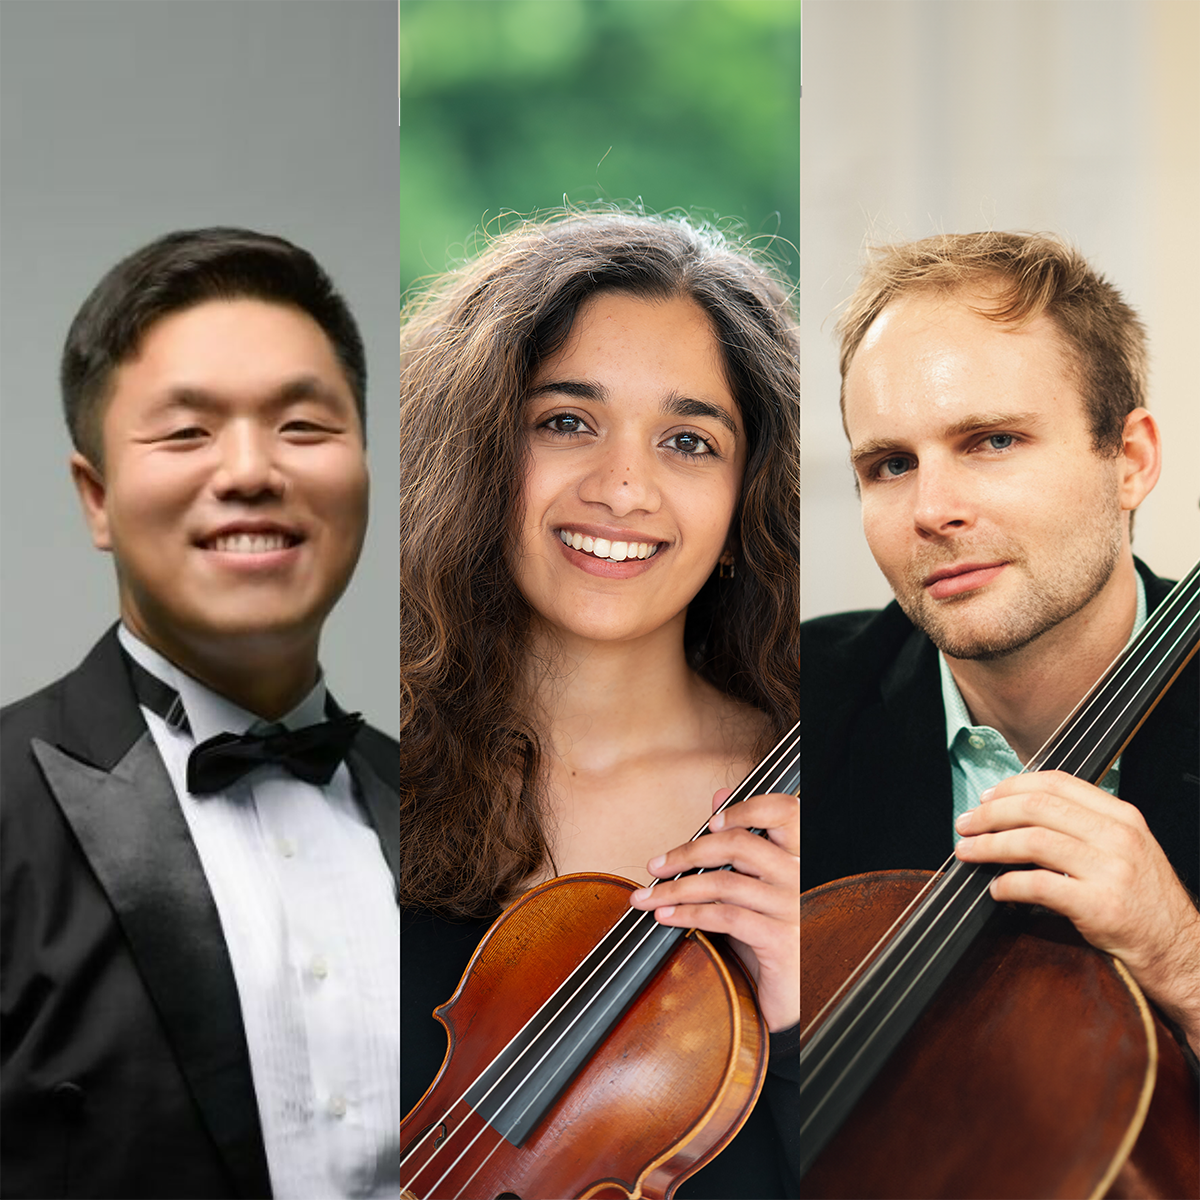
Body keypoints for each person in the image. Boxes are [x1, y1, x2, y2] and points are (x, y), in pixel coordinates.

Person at [399, 212, 802, 1196]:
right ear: (484, 454)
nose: (623, 487)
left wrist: (803, 1014)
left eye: (688, 441)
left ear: (748, 496)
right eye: (567, 421)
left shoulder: (821, 816)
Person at [0, 228, 401, 1199]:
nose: (253, 471)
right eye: (187, 433)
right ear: (96, 498)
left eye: (304, 427)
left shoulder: (468, 807)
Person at [802, 231, 1200, 1078]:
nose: (932, 509)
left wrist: (1182, 957)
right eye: (890, 464)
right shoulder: (791, 699)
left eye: (992, 441)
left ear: (1129, 461)